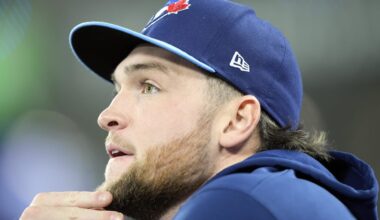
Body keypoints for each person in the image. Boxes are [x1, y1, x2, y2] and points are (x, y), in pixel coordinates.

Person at [21, 0, 378, 219]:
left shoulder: (238, 201)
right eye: (117, 88)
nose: (107, 115)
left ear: (236, 121)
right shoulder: (277, 196)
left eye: (149, 86)